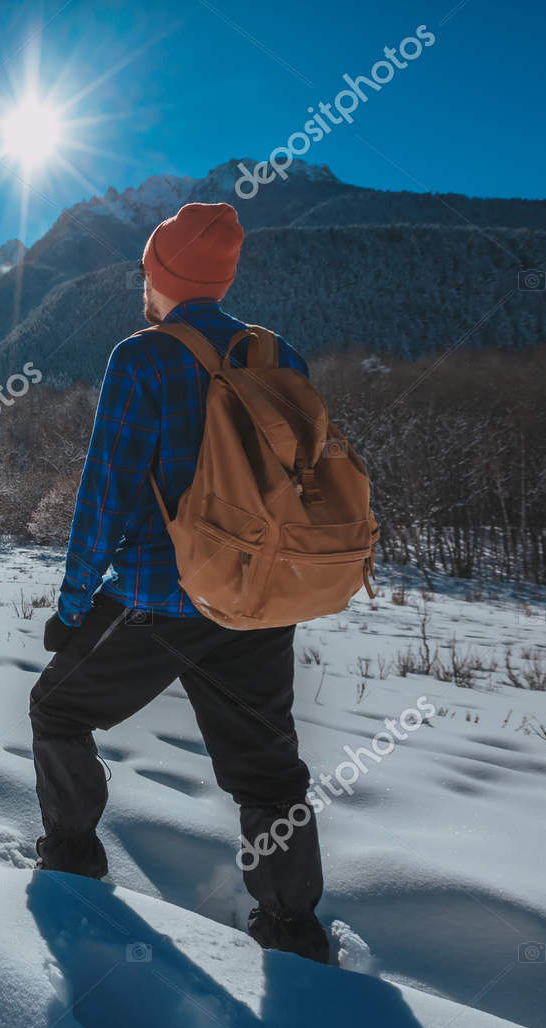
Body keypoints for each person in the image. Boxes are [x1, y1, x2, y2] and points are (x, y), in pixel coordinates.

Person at [29, 201, 329, 964]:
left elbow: (105, 495)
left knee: (56, 709)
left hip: (155, 602)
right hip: (256, 603)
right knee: (268, 770)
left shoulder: (142, 356)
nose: (144, 280)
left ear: (160, 276)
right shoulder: (278, 355)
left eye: (148, 267)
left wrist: (71, 608)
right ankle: (292, 928)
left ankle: (70, 860)